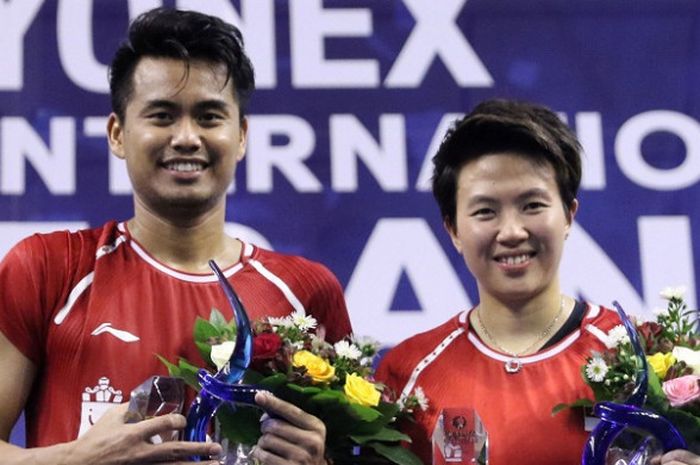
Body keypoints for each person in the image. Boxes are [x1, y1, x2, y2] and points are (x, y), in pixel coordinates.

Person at [0, 8, 350, 465]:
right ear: (118, 133)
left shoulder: (306, 292)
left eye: (209, 117)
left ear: (241, 136)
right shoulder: (49, 268)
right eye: (162, 115)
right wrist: (76, 460)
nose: (187, 137)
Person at [376, 99, 700, 465]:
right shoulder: (408, 371)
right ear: (453, 230)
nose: (512, 232)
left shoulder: (649, 364)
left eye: (532, 205)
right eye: (485, 211)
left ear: (569, 215)